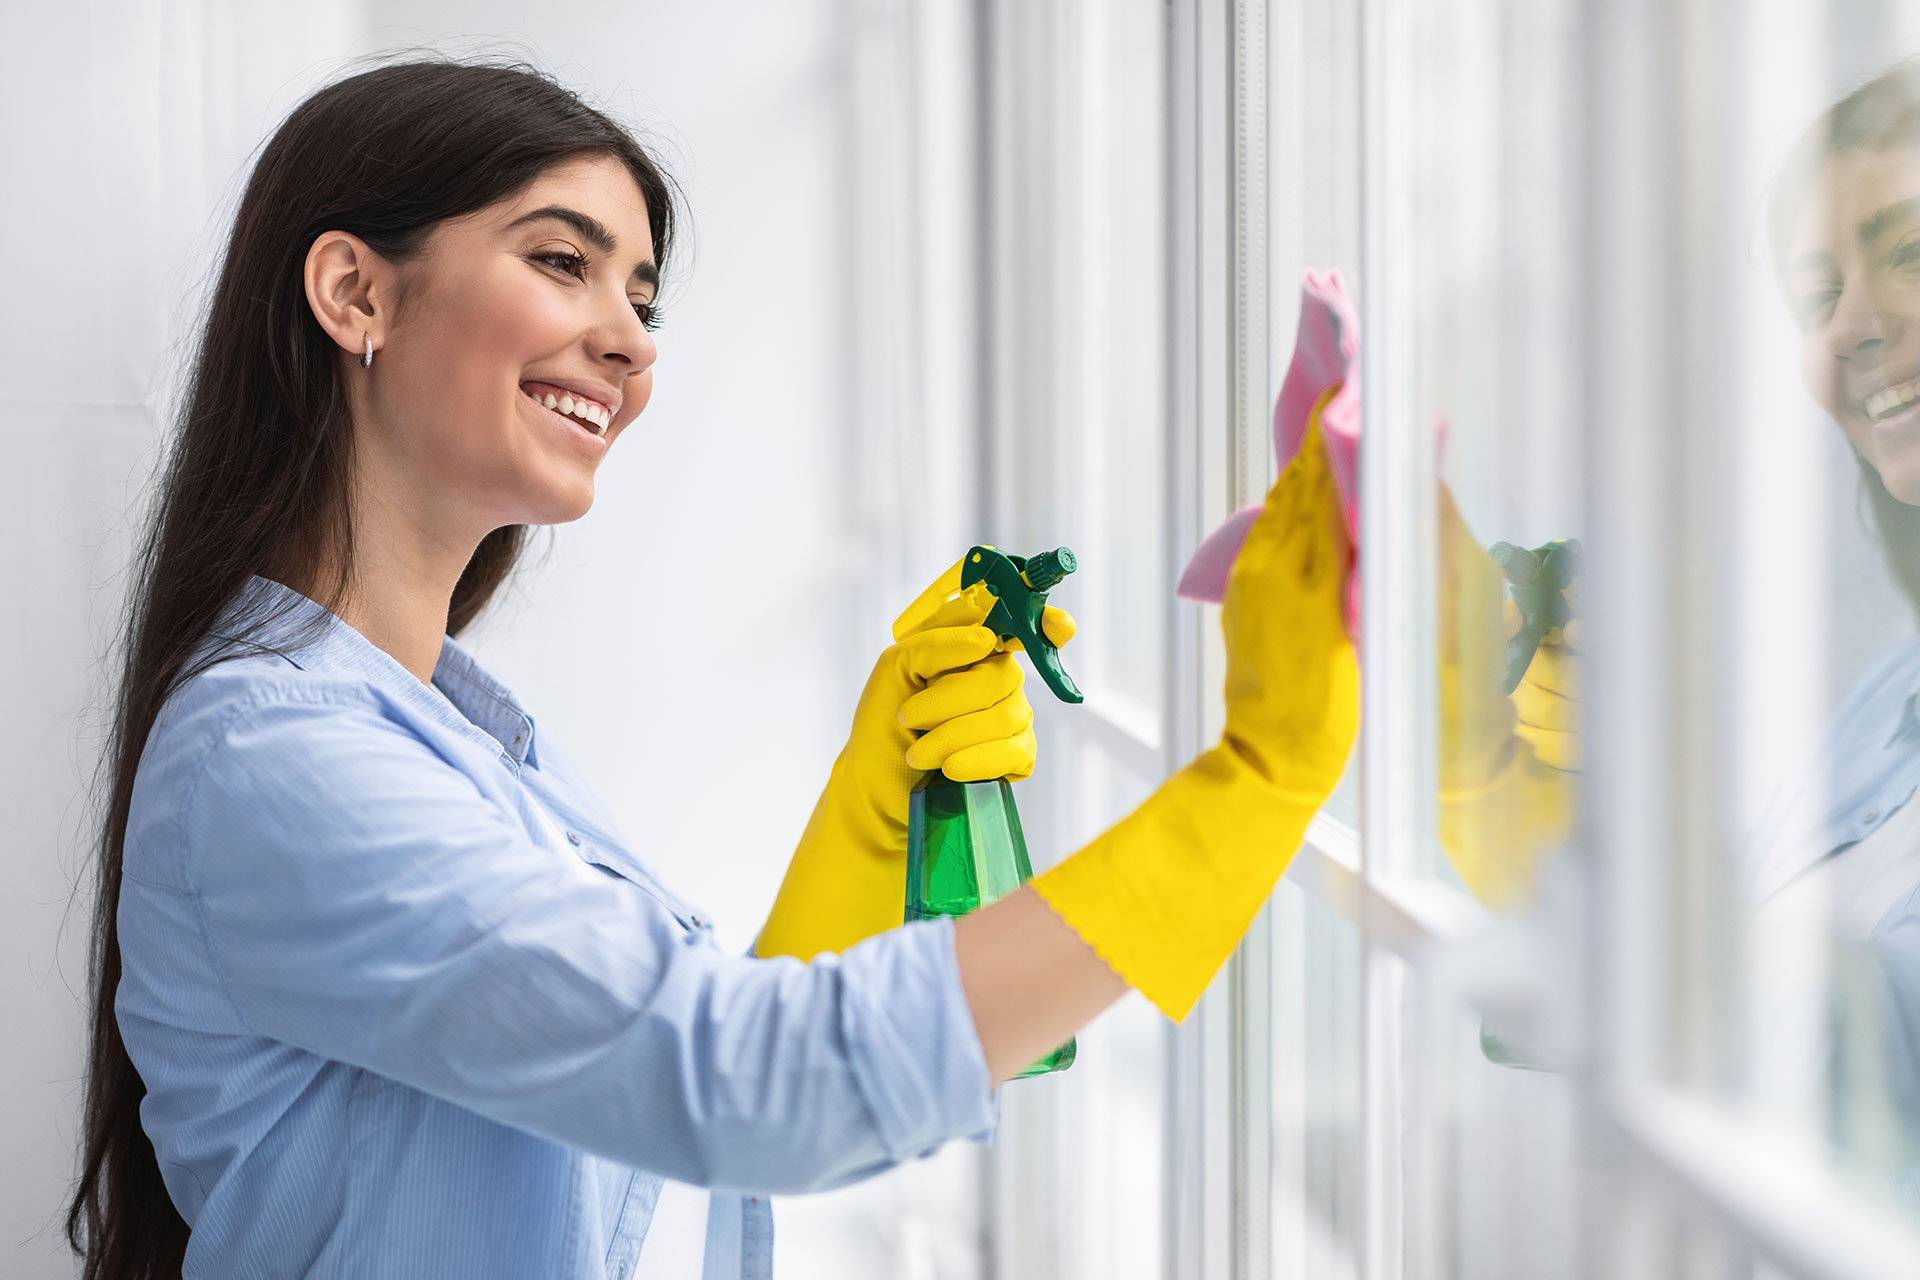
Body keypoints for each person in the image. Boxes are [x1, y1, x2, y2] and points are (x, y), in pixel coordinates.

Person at [65, 59, 1359, 1279]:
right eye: (563, 261)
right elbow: (746, 1086)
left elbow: (660, 1085)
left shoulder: (446, 730)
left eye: (641, 295)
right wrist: (1251, 785)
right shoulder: (283, 759)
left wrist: (875, 802)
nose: (630, 342)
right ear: (357, 293)